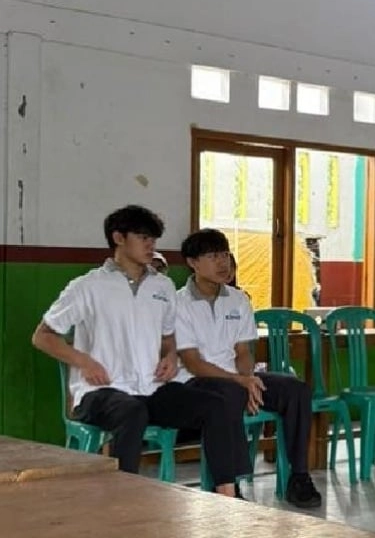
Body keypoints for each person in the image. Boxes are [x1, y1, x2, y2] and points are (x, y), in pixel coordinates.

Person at [31, 205, 243, 498]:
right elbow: (42, 336)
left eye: (153, 239)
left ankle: (227, 494)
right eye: (143, 237)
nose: (150, 245)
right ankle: (124, 499)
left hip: (149, 386)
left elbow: (168, 337)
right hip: (100, 391)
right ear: (118, 238)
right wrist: (84, 361)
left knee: (215, 404)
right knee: (132, 412)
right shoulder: (88, 286)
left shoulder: (163, 286)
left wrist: (169, 356)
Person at [173, 228, 322, 508]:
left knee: (296, 389)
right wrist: (239, 382)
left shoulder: (238, 300)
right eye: (213, 256)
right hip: (196, 382)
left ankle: (298, 476)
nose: (223, 262)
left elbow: (243, 352)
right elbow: (192, 362)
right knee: (229, 394)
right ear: (192, 263)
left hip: (235, 378)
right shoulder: (179, 304)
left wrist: (249, 378)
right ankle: (230, 486)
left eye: (225, 254)